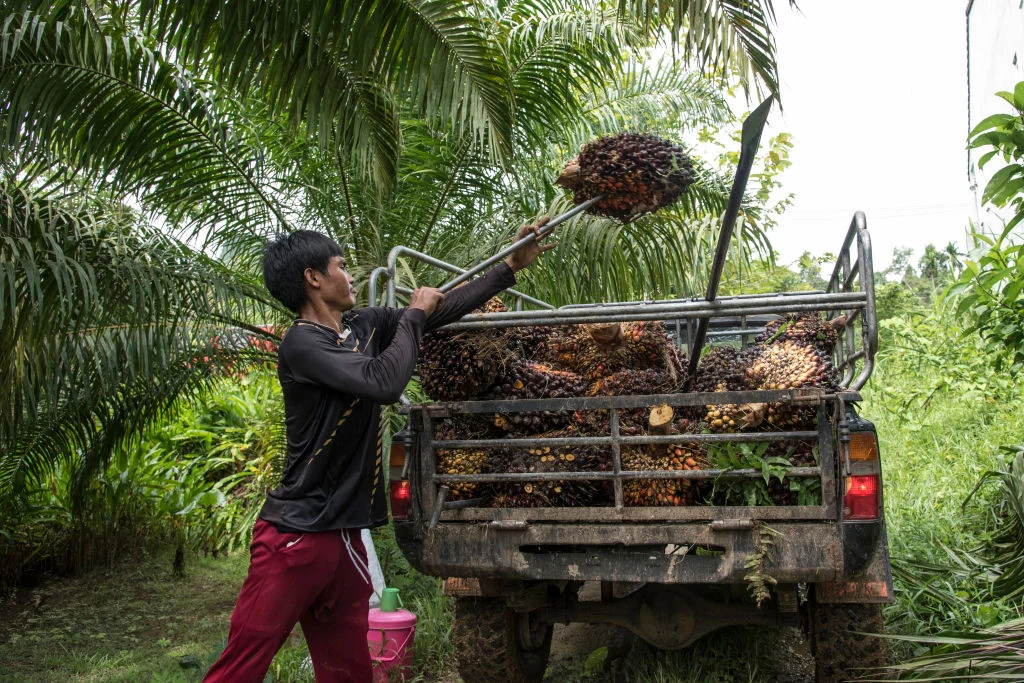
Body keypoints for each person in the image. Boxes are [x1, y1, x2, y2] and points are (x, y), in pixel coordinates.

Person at [203, 219, 555, 682]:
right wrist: (411, 316)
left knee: (348, 669)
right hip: (296, 536)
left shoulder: (362, 325)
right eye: (341, 267)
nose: (350, 276)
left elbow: (441, 311)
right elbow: (383, 383)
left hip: (345, 536)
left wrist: (509, 266)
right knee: (244, 663)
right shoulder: (302, 343)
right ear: (313, 278)